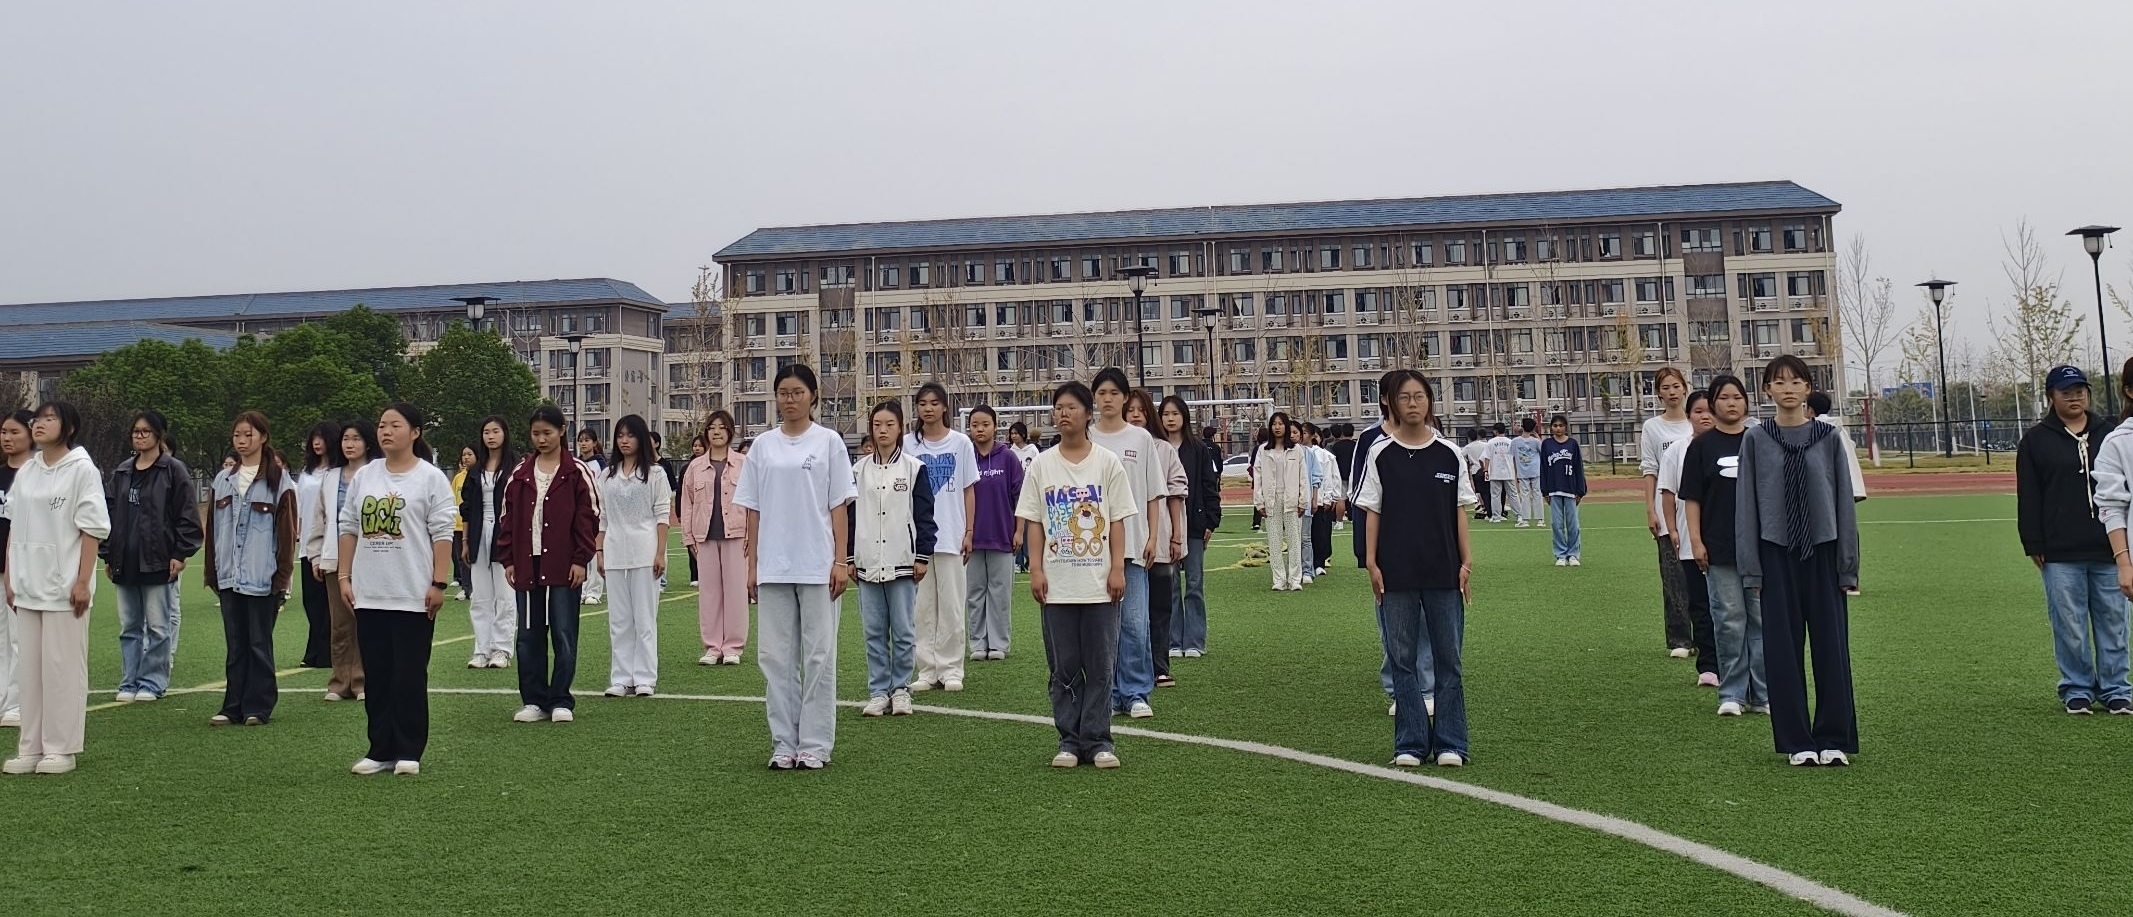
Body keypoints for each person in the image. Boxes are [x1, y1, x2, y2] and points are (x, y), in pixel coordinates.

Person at [1736, 355, 1860, 766]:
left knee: (1831, 649)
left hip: (1823, 551)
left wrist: (1847, 564)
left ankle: (1834, 737)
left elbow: (1844, 502)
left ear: (1808, 388)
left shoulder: (1829, 438)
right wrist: (1752, 569)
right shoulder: (1756, 440)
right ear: (1766, 390)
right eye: (1779, 381)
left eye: (1796, 381)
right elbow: (1747, 506)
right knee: (1782, 653)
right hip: (1776, 553)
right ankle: (1797, 741)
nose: (1787, 389)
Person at [736, 364, 855, 770]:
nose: (790, 400)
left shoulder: (829, 442)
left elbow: (838, 506)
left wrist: (840, 560)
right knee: (774, 658)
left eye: (797, 392)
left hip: (817, 564)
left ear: (813, 396)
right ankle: (784, 742)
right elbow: (752, 510)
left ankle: (816, 744)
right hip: (774, 565)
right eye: (783, 393)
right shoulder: (762, 446)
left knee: (819, 656)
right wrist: (752, 565)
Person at [1358, 371, 1475, 768]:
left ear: (1429, 402)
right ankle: (1409, 743)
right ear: (1392, 403)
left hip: (1444, 571)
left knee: (1448, 659)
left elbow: (1459, 512)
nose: (1412, 403)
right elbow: (1372, 512)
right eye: (1405, 397)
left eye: (1419, 396)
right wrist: (1371, 561)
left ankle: (1451, 743)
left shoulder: (1449, 454)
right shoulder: (1381, 453)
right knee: (1402, 659)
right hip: (1396, 572)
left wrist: (1466, 562)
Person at [1017, 381, 1135, 769]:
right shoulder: (1042, 465)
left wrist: (1117, 568)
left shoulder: (1107, 463)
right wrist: (1036, 569)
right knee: (1064, 667)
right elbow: (1034, 522)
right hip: (1058, 585)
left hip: (1099, 585)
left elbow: (1116, 521)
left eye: (1071, 407)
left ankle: (1098, 741)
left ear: (1087, 414)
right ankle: (1068, 740)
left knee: (1100, 665)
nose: (1063, 413)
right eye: (1058, 407)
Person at [336, 404, 455, 776]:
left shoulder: (430, 478)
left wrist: (438, 582)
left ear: (415, 432)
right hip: (369, 592)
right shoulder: (366, 476)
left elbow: (442, 533)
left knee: (408, 675)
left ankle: (409, 749)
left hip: (413, 595)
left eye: (395, 425)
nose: (386, 431)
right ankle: (380, 749)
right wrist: (344, 577)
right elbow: (349, 526)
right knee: (378, 674)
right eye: (382, 425)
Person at [2, 403, 109, 775]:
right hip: (27, 584)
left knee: (61, 669)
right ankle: (30, 746)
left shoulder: (82, 470)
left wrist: (82, 581)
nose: (39, 424)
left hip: (64, 588)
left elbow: (92, 528)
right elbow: (13, 524)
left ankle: (61, 748)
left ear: (69, 427)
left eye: (49, 419)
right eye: (38, 419)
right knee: (30, 671)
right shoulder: (28, 470)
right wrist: (11, 576)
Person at [2019, 366, 2128, 714]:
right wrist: (2033, 542)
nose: (2075, 397)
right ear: (2051, 396)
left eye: (2080, 390)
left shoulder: (2110, 433)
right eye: (2066, 392)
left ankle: (2116, 688)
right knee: (2069, 624)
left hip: (2109, 547)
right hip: (2060, 550)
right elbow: (2029, 495)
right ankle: (2077, 687)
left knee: (2114, 621)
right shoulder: (2036, 440)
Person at [496, 406, 601, 724]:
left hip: (564, 565)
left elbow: (589, 517)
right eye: (536, 433)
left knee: (564, 634)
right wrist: (509, 560)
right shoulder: (520, 473)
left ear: (562, 430)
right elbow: (506, 519)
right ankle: (533, 700)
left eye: (547, 433)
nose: (541, 439)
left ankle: (560, 699)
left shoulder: (577, 471)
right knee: (528, 635)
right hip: (527, 565)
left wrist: (581, 559)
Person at [203, 411, 299, 726]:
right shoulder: (222, 480)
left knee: (259, 643)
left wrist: (282, 579)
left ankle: (258, 705)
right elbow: (213, 530)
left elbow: (286, 535)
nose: (242, 441)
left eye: (249, 435)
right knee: (235, 644)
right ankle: (232, 705)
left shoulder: (279, 481)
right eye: (237, 435)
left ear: (263, 437)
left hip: (262, 576)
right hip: (229, 575)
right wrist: (212, 573)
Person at [101, 410, 202, 703]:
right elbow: (108, 514)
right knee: (129, 626)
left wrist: (181, 552)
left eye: (146, 431)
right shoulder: (122, 472)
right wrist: (107, 554)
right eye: (136, 431)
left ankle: (153, 682)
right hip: (125, 560)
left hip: (158, 559)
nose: (140, 436)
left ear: (159, 435)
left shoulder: (173, 470)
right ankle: (129, 681)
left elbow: (187, 514)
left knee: (158, 626)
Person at [1682, 375, 1767, 717]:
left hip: (1760, 549)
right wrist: (1696, 541)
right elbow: (1692, 498)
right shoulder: (1701, 447)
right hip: (1718, 548)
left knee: (1761, 620)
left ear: (1746, 402)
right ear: (1713, 404)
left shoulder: (1760, 441)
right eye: (1724, 397)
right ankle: (1732, 693)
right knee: (1729, 620)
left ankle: (1762, 694)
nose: (1732, 403)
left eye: (1737, 397)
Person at [1088, 367, 1165, 719]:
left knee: (1134, 623)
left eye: (1114, 393)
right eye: (1101, 393)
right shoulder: (1086, 437)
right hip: (1091, 549)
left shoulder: (1140, 439)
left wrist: (1153, 536)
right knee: (1102, 628)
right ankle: (1110, 693)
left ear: (1125, 398)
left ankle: (1135, 692)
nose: (1107, 399)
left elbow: (1153, 493)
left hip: (1133, 544)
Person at [849, 399, 935, 717]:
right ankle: (878, 691)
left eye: (889, 424)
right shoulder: (857, 471)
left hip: (903, 561)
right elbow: (850, 519)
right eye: (877, 425)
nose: (882, 430)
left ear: (900, 428)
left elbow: (925, 516)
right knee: (873, 632)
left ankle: (901, 689)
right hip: (867, 562)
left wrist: (922, 555)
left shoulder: (914, 468)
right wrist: (849, 557)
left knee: (903, 631)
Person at [905, 382, 978, 693]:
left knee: (951, 605)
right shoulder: (908, 444)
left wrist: (969, 531)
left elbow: (968, 489)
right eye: (923, 403)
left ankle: (950, 669)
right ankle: (927, 669)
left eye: (934, 403)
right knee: (922, 607)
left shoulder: (961, 443)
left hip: (951, 534)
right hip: (917, 539)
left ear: (945, 407)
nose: (928, 408)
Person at [595, 414, 671, 698]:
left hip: (645, 550)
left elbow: (662, 514)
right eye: (620, 436)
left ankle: (644, 677)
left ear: (641, 438)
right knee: (619, 620)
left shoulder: (655, 474)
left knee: (644, 618)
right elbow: (602, 517)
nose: (624, 441)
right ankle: (621, 677)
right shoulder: (607, 475)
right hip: (614, 550)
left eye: (630, 435)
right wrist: (599, 552)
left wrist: (660, 553)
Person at [304, 420, 379, 701]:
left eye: (356, 439)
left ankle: (361, 681)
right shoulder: (330, 477)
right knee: (339, 624)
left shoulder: (377, 473)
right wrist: (315, 555)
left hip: (370, 557)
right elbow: (319, 518)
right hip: (335, 559)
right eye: (346, 439)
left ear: (367, 443)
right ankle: (339, 681)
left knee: (365, 620)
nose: (350, 444)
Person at [1659, 391, 1721, 689]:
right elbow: (1667, 492)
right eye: (1698, 411)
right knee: (1700, 605)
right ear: (1688, 416)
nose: (1705, 416)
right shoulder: (1677, 451)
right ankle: (1708, 665)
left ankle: (1734, 662)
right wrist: (1672, 529)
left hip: (1725, 540)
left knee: (1728, 606)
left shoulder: (1734, 445)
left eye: (1710, 410)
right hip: (1689, 540)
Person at [1126, 390, 1187, 688]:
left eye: (1141, 410)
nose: (1136, 415)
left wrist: (1176, 536)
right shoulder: (1112, 449)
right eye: (1131, 410)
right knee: (1129, 613)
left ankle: (1160, 666)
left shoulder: (1163, 449)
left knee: (1160, 607)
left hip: (1160, 539)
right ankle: (1130, 668)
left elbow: (1176, 494)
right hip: (1125, 542)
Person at [679, 412, 749, 666]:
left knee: (736, 592)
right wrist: (688, 537)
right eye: (712, 427)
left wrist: (752, 534)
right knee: (708, 593)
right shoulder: (695, 467)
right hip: (704, 536)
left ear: (731, 431)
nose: (717, 432)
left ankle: (733, 647)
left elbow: (755, 502)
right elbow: (687, 503)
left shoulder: (744, 463)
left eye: (722, 427)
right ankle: (712, 646)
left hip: (737, 535)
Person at [1642, 366, 1697, 657]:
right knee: (1674, 577)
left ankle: (1705, 636)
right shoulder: (1652, 427)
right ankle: (1680, 639)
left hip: (1697, 511)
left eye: (1676, 386)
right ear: (1658, 393)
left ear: (1685, 388)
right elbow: (1650, 469)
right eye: (1665, 388)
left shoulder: (1696, 422)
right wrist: (1650, 510)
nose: (1672, 392)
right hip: (1667, 512)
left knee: (1702, 575)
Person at [1161, 397, 1221, 659]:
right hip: (1163, 526)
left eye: (1175, 413)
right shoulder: (1156, 447)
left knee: (1194, 583)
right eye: (1166, 414)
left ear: (1184, 416)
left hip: (1194, 525)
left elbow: (1209, 485)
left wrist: (1210, 521)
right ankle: (1173, 640)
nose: (1170, 418)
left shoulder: (1198, 449)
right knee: (1170, 584)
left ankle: (1195, 640)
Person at [965, 405, 1023, 662]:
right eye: (975, 425)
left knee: (1000, 592)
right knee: (975, 592)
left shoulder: (1008, 457)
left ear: (995, 427)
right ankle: (978, 643)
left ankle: (998, 643)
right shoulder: (965, 455)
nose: (980, 429)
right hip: (972, 538)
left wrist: (1019, 530)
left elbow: (1020, 496)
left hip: (1002, 534)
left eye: (985, 424)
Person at [459, 416, 517, 669]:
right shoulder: (475, 470)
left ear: (504, 434)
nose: (491, 436)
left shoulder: (515, 466)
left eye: (495, 431)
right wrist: (465, 541)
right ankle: (481, 649)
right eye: (486, 432)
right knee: (480, 595)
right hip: (478, 532)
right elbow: (466, 507)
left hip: (505, 533)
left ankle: (502, 649)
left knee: (504, 594)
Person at [1806, 391, 1870, 597]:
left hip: (1830, 488)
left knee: (1826, 533)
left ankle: (1829, 580)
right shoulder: (1839, 428)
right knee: (1847, 532)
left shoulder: (1816, 430)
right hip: (1850, 486)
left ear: (1810, 410)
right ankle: (1851, 581)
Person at [296, 422, 338, 668]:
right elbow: (301, 506)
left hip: (331, 543)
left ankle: (327, 652)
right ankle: (314, 650)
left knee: (329, 602)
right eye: (313, 438)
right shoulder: (307, 472)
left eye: (321, 438)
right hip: (308, 545)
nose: (316, 442)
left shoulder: (338, 472)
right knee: (311, 601)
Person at [1252, 412, 1309, 592]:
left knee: (1294, 540)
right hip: (1272, 499)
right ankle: (1279, 579)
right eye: (1274, 424)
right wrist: (1259, 501)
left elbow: (1303, 476)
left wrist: (1303, 500)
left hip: (1292, 498)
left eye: (1280, 424)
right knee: (1274, 540)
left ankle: (1294, 579)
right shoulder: (1263, 450)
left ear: (1286, 427)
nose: (1277, 427)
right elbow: (1257, 476)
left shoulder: (1296, 450)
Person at [0, 410, 31, 729]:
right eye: (3, 432)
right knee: (2, 638)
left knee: (19, 638)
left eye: (14, 432)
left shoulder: (35, 476)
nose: (7, 438)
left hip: (21, 570)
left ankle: (18, 703)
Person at [1540, 415, 1587, 566]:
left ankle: (1573, 554)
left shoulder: (1572, 444)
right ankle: (1561, 554)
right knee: (1556, 524)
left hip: (1570, 489)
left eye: (1561, 425)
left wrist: (1580, 490)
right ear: (1551, 427)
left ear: (1566, 427)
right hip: (1554, 490)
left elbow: (1578, 467)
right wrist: (1545, 491)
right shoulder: (1547, 444)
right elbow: (1543, 468)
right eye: (1555, 426)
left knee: (1573, 524)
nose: (1558, 428)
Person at [1305, 423, 1342, 580]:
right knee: (1305, 535)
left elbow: (1330, 477)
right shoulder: (1297, 453)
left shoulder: (1324, 455)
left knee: (1320, 533)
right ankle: (1305, 564)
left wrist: (1330, 497)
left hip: (1319, 500)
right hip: (1302, 500)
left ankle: (1319, 562)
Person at [575, 427, 607, 606]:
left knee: (596, 550)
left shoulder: (601, 465)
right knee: (582, 549)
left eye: (587, 440)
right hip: (580, 512)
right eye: (581, 440)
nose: (583, 444)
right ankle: (583, 589)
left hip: (598, 511)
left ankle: (594, 591)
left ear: (594, 443)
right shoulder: (576, 464)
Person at [1008, 422, 1040, 573]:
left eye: (1016, 433)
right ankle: (1017, 561)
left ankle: (1028, 560)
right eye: (1012, 433)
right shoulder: (1010, 452)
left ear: (1023, 434)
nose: (1014, 436)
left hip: (1030, 493)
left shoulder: (1033, 450)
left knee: (1028, 529)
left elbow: (1038, 470)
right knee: (1016, 527)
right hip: (1015, 494)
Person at [450, 446, 475, 602]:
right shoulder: (458, 478)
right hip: (458, 524)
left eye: (469, 454)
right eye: (464, 454)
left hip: (474, 525)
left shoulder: (479, 476)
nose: (466, 457)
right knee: (461, 558)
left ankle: (476, 588)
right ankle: (466, 589)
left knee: (475, 558)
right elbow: (451, 499)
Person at [684, 434, 707, 586]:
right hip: (696, 519)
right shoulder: (690, 468)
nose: (697, 448)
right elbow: (684, 495)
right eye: (695, 445)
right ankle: (695, 576)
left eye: (700, 445)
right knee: (693, 548)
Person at [1513, 418, 1544, 529]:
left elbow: (1513, 457)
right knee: (1537, 494)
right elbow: (1543, 452)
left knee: (1524, 495)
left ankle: (1525, 520)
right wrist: (1537, 436)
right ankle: (1540, 520)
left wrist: (1515, 472)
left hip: (1522, 471)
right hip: (1535, 470)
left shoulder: (1515, 441)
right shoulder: (1536, 441)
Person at [1483, 423, 1516, 524]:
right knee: (1513, 494)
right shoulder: (1510, 442)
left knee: (1495, 495)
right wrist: (1515, 471)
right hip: (1509, 471)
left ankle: (1496, 516)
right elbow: (1514, 458)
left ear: (1495, 431)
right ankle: (1519, 515)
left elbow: (1487, 457)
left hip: (1495, 472)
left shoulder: (1490, 442)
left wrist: (1486, 470)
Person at [1460, 429, 1492, 520]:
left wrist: (1467, 461)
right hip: (1486, 469)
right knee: (1487, 490)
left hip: (1475, 470)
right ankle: (1487, 507)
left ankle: (1483, 506)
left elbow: (1460, 455)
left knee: (1478, 490)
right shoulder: (1484, 445)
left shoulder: (1468, 447)